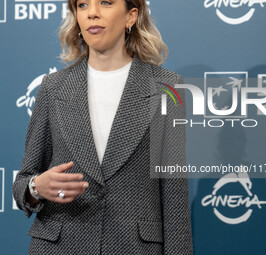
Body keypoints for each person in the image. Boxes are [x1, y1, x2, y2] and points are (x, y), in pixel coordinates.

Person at [12, 0, 193, 254]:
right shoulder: (53, 87)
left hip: (133, 247)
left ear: (131, 16)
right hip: (59, 246)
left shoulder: (167, 87)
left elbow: (174, 196)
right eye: (83, 5)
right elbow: (23, 182)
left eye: (105, 2)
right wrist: (36, 188)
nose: (92, 13)